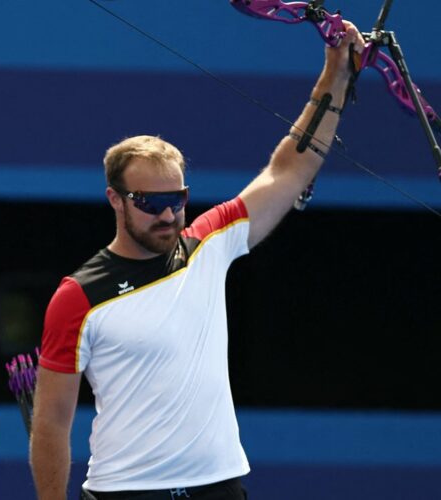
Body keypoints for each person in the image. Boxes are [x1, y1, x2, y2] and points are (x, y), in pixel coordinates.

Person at [29, 22, 366, 500]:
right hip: (126, 492)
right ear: (115, 199)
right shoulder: (77, 296)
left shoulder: (210, 242)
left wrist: (336, 74)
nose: (167, 214)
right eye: (149, 202)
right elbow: (50, 421)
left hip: (220, 488)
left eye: (178, 199)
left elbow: (291, 166)